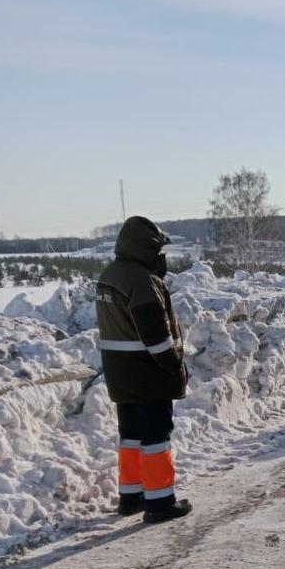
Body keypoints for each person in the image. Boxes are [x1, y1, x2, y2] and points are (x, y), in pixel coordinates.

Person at [95, 216, 193, 524]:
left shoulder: (109, 275)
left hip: (120, 374)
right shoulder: (141, 281)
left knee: (131, 436)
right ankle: (160, 502)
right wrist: (174, 366)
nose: (162, 257)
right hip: (148, 373)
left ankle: (132, 497)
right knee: (156, 438)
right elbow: (156, 336)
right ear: (145, 248)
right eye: (158, 250)